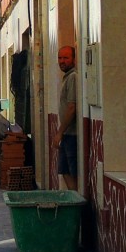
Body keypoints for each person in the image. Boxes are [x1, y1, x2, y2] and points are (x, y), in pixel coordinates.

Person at [51, 45, 77, 189]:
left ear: (74, 59)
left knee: (72, 172)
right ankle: (74, 201)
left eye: (66, 58)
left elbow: (72, 107)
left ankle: (78, 204)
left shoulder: (73, 77)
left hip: (72, 135)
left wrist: (59, 133)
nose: (62, 61)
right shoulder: (66, 78)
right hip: (67, 135)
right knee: (64, 171)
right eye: (60, 58)